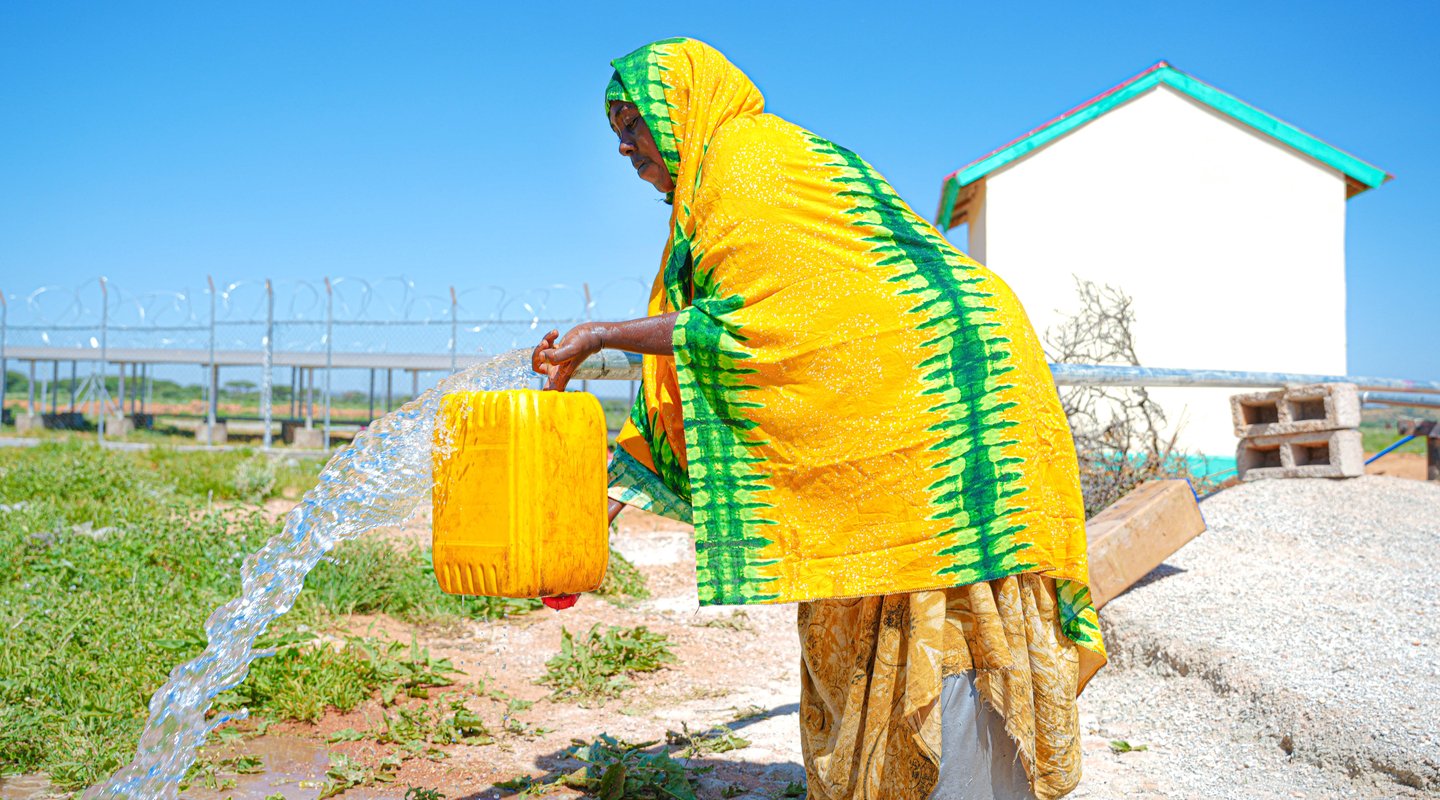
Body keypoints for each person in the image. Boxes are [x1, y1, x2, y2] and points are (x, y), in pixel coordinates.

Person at [533, 38, 1106, 800]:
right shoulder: (714, 193)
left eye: (633, 122)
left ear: (683, 110)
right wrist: (590, 520)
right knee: (863, 602)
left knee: (943, 601)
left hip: (946, 395)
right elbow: (693, 374)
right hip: (893, 395)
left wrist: (601, 336)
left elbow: (748, 328)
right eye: (615, 130)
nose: (623, 146)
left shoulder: (748, 167)